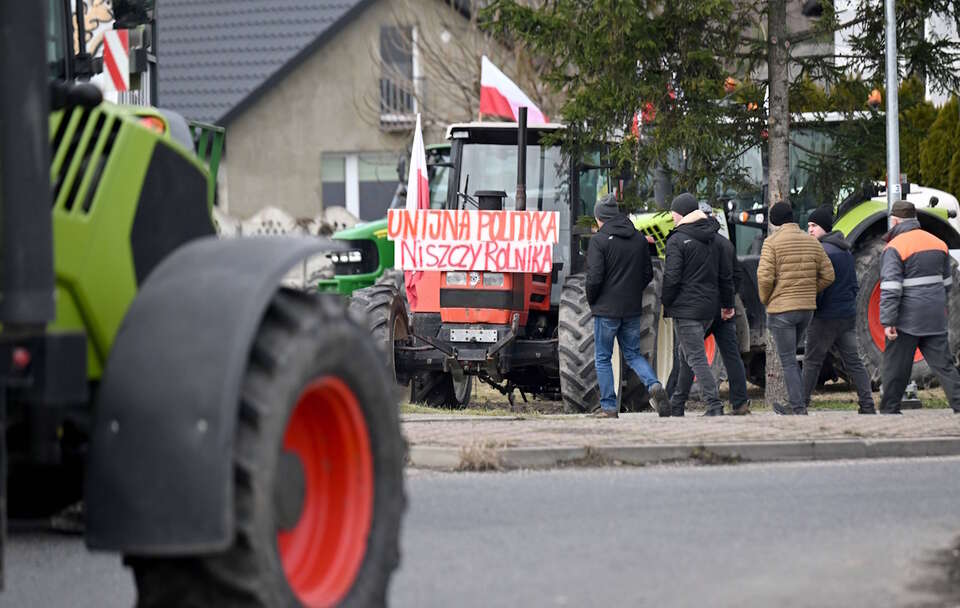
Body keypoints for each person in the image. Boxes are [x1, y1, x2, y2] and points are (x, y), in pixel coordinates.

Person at [585, 194, 669, 418]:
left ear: (599, 217)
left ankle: (609, 407)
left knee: (603, 357)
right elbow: (647, 274)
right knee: (633, 354)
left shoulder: (599, 241)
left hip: (606, 310)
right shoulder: (639, 239)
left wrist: (593, 299)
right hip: (631, 309)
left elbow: (594, 278)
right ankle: (653, 385)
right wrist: (632, 294)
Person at [665, 203, 751, 415]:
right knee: (706, 354)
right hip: (718, 307)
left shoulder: (686, 240)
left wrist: (667, 302)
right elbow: (731, 277)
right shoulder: (721, 242)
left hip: (695, 308)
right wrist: (728, 304)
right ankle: (737, 402)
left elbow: (674, 277)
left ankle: (711, 404)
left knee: (692, 356)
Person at [878, 200, 960, 414]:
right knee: (944, 366)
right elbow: (947, 284)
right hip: (934, 315)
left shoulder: (895, 247)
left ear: (894, 220)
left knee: (896, 366)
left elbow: (891, 288)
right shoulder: (938, 243)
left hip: (907, 319)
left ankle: (890, 409)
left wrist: (888, 321)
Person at [757, 202, 834, 415]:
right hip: (806, 310)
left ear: (773, 221)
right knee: (792, 357)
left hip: (782, 309)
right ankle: (798, 403)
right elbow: (829, 275)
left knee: (789, 360)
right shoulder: (811, 242)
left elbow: (764, 277)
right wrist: (809, 291)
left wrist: (767, 299)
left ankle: (798, 406)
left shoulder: (771, 243)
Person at [801, 207, 876, 414]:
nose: (810, 230)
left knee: (811, 361)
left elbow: (820, 287)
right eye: (808, 226)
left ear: (824, 227)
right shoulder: (845, 250)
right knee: (853, 361)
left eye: (814, 226)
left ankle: (799, 404)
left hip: (825, 316)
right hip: (846, 316)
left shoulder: (822, 252)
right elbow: (853, 284)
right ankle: (867, 404)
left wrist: (813, 307)